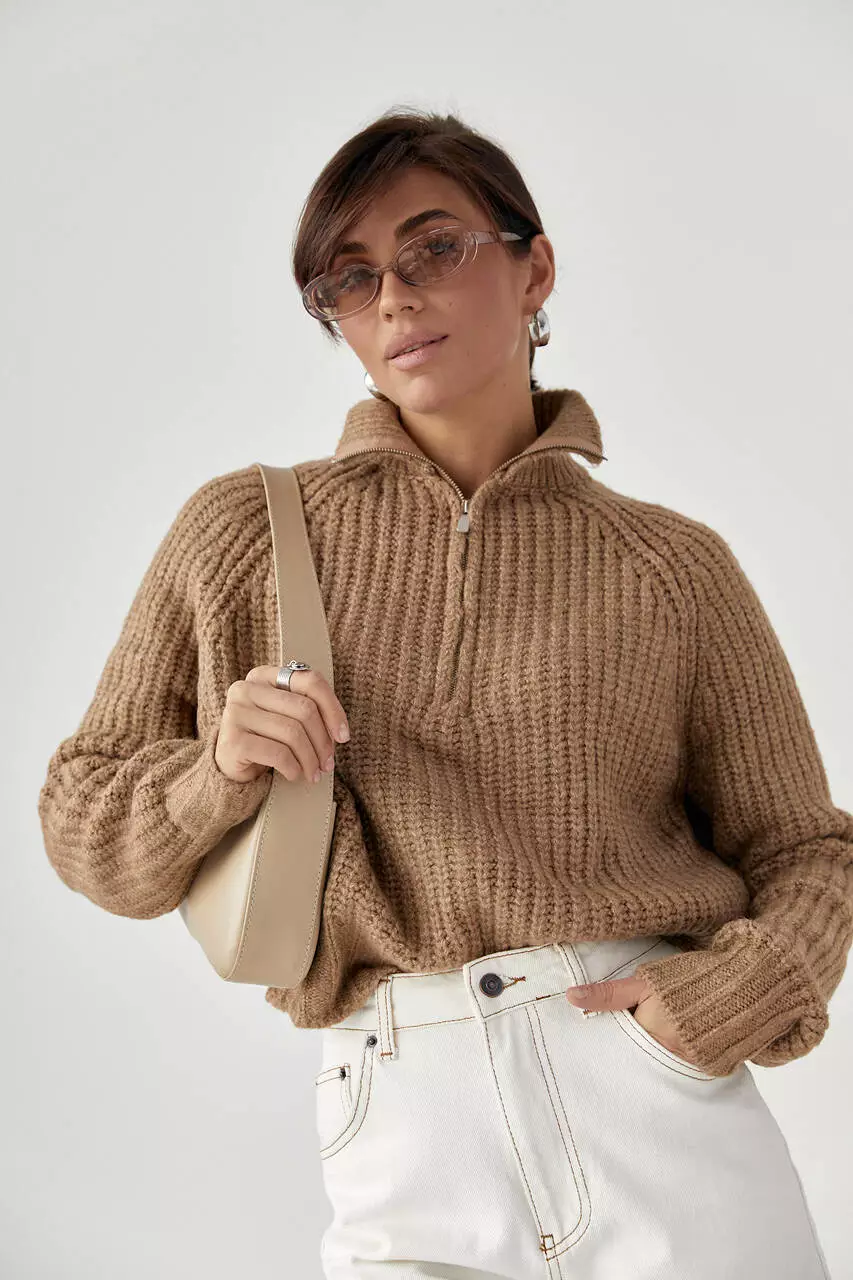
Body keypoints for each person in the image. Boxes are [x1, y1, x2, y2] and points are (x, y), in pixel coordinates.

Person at [38, 106, 846, 1279]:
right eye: (351, 276)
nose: (395, 298)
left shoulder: (670, 565)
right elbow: (80, 823)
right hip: (406, 1114)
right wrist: (213, 771)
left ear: (535, 269)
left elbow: (806, 845)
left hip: (654, 1096)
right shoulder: (242, 534)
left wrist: (729, 998)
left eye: (433, 248)